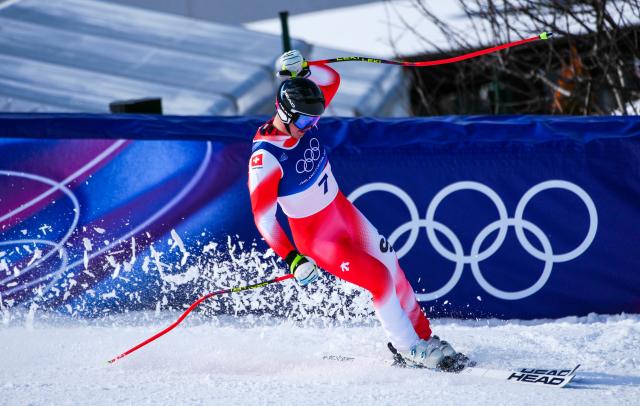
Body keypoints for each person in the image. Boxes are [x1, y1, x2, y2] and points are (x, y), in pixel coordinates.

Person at [248, 50, 459, 368]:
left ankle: (423, 337)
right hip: (318, 238)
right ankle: (408, 348)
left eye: (315, 119)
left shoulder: (304, 114)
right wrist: (293, 259)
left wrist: (304, 69)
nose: (311, 126)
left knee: (390, 264)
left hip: (342, 213)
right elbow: (263, 218)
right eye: (305, 120)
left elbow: (331, 79)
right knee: (378, 279)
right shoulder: (266, 158)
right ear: (286, 113)